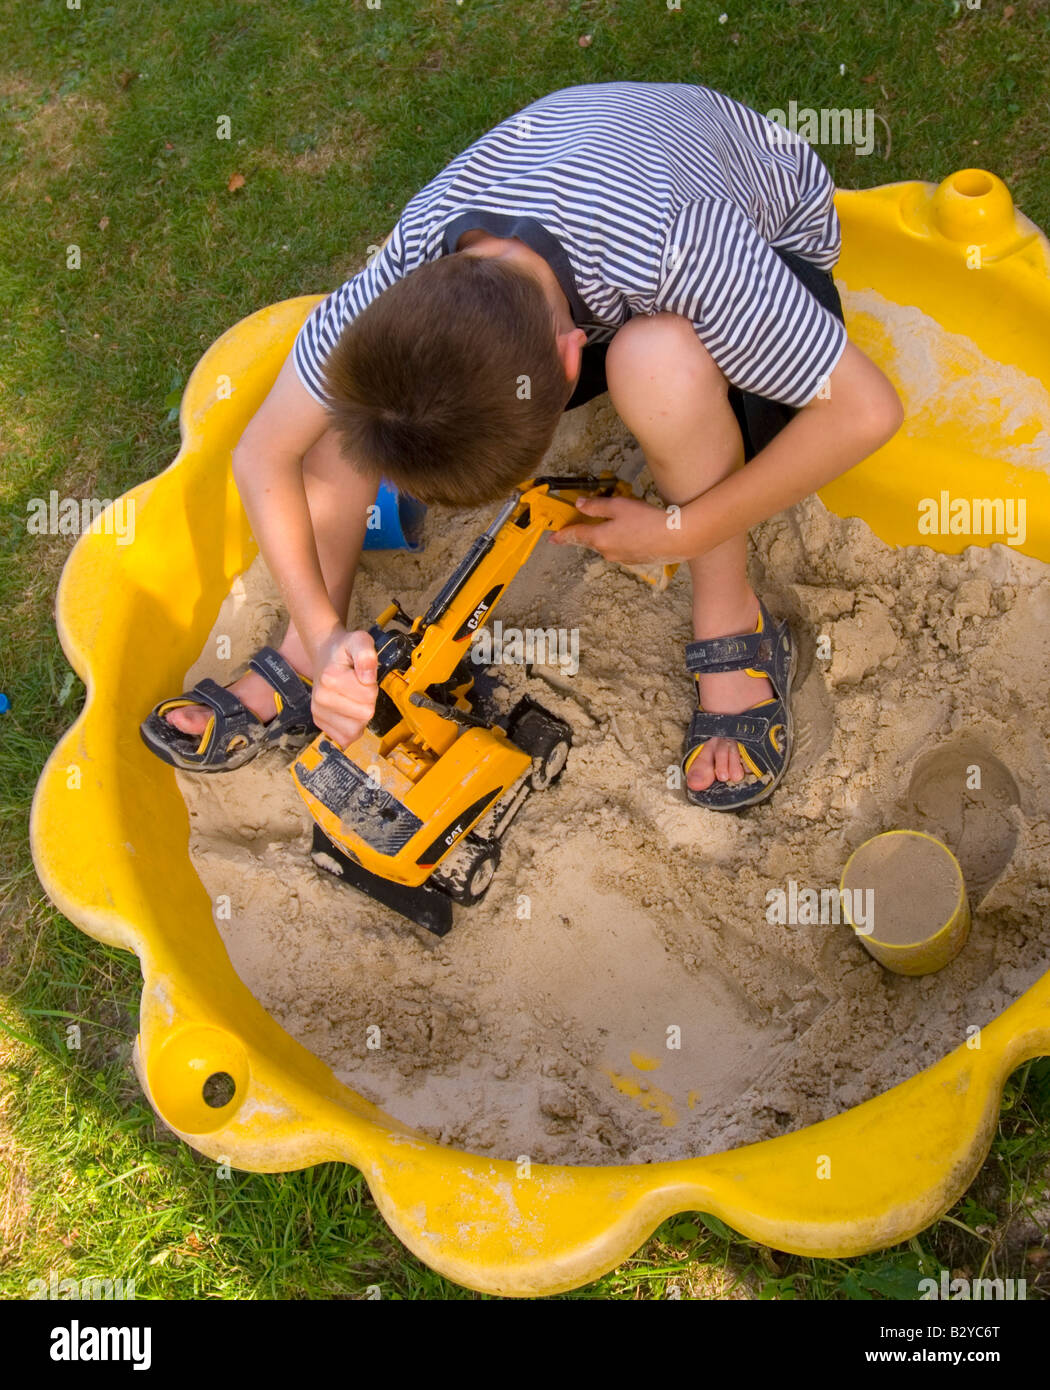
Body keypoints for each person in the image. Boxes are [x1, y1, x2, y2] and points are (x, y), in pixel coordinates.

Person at [141, 81, 902, 809]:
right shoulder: (402, 271)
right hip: (579, 209)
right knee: (358, 411)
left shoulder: (678, 246)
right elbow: (261, 453)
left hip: (762, 234)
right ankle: (308, 663)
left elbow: (866, 412)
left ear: (571, 363)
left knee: (657, 363)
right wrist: (319, 626)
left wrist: (678, 529)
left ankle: (733, 623)